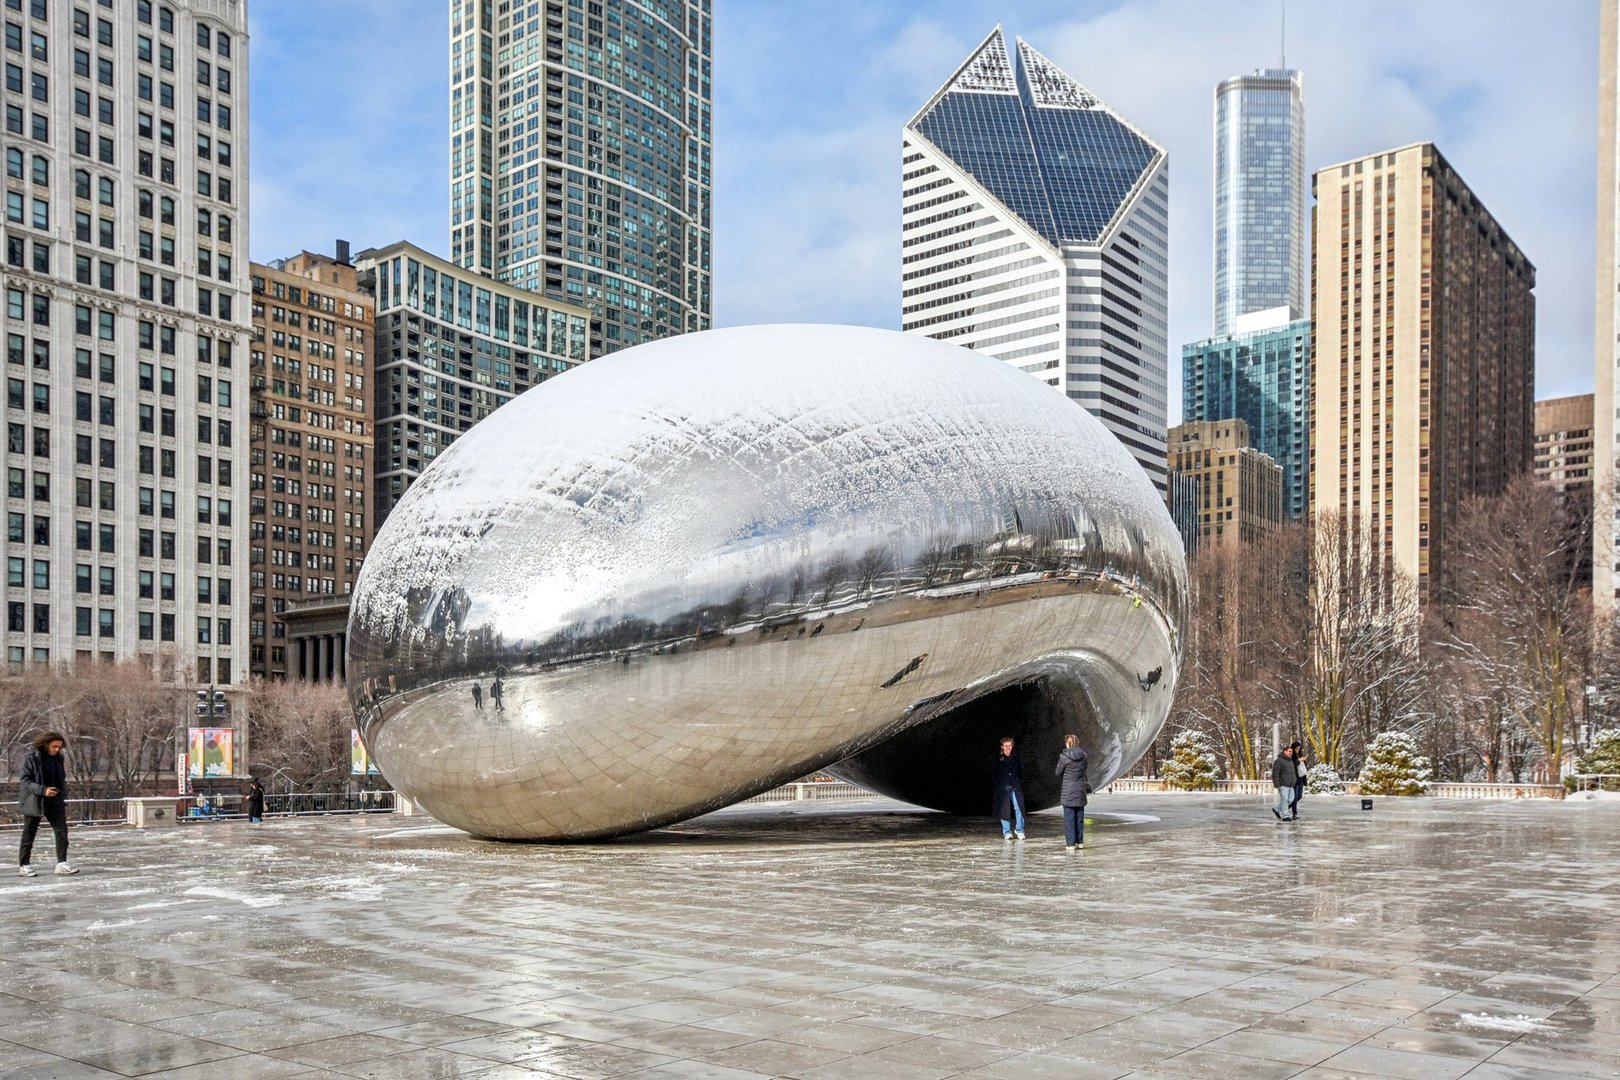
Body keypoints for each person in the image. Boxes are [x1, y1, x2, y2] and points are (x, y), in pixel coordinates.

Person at [18, 731, 75, 877]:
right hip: (35, 800)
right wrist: (43, 790)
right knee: (29, 834)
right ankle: (24, 864)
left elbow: (60, 778)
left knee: (62, 831)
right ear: (45, 744)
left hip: (55, 799)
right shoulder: (31, 758)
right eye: (54, 746)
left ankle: (62, 862)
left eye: (59, 747)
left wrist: (60, 793)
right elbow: (25, 782)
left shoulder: (59, 758)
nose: (56, 750)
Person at [1054, 734, 1089, 850]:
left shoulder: (1064, 757)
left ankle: (1070, 844)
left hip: (1068, 791)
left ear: (1068, 743)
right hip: (1080, 790)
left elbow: (1057, 772)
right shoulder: (1084, 755)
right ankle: (1080, 842)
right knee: (1079, 818)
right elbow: (1084, 770)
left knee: (1069, 819)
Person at [993, 736, 1026, 840]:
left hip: (1015, 787)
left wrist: (1019, 782)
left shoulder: (1016, 757)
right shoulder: (998, 759)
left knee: (1019, 808)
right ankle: (1007, 832)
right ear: (1002, 747)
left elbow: (1021, 771)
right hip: (1004, 788)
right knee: (1005, 809)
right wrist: (1000, 785)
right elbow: (994, 773)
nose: (1008, 748)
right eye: (1006, 746)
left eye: (1010, 746)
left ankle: (1020, 830)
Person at [1271, 744, 1297, 821]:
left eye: (1291, 751)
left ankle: (1277, 809)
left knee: (1291, 799)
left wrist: (1294, 780)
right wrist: (1277, 784)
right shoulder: (1279, 761)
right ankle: (1285, 816)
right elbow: (1275, 773)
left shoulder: (1290, 761)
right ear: (1284, 751)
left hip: (1291, 784)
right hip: (1283, 784)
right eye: (1289, 751)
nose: (1291, 753)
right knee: (1285, 800)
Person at [1290, 742, 1308, 819]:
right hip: (1295, 778)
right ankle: (1294, 814)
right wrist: (1299, 760)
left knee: (1299, 796)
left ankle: (1283, 808)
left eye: (1299, 748)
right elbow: (1292, 765)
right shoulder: (1291, 756)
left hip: (1301, 778)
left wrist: (1303, 760)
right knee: (1295, 797)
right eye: (1296, 748)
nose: (1298, 750)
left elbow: (1302, 766)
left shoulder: (1300, 755)